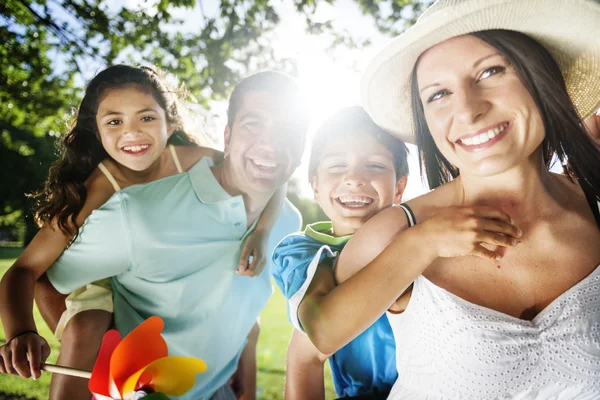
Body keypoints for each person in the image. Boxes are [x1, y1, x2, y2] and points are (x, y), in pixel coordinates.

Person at [296, 0, 600, 398]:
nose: (468, 110)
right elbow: (316, 339)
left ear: (540, 77)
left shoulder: (593, 205)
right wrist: (422, 243)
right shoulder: (399, 231)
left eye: (491, 71)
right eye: (438, 94)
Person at [0, 67, 308, 400]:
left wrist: (262, 232)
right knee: (84, 328)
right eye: (115, 122)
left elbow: (267, 171)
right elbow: (31, 270)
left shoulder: (199, 164)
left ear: (169, 124)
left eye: (145, 118)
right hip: (103, 293)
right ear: (97, 131)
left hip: (212, 380)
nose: (132, 133)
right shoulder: (106, 187)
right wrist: (24, 332)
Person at [272, 106, 409, 399]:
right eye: (336, 166)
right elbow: (316, 328)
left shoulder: (418, 237)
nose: (355, 178)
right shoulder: (302, 252)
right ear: (316, 188)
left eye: (374, 165)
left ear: (399, 187)